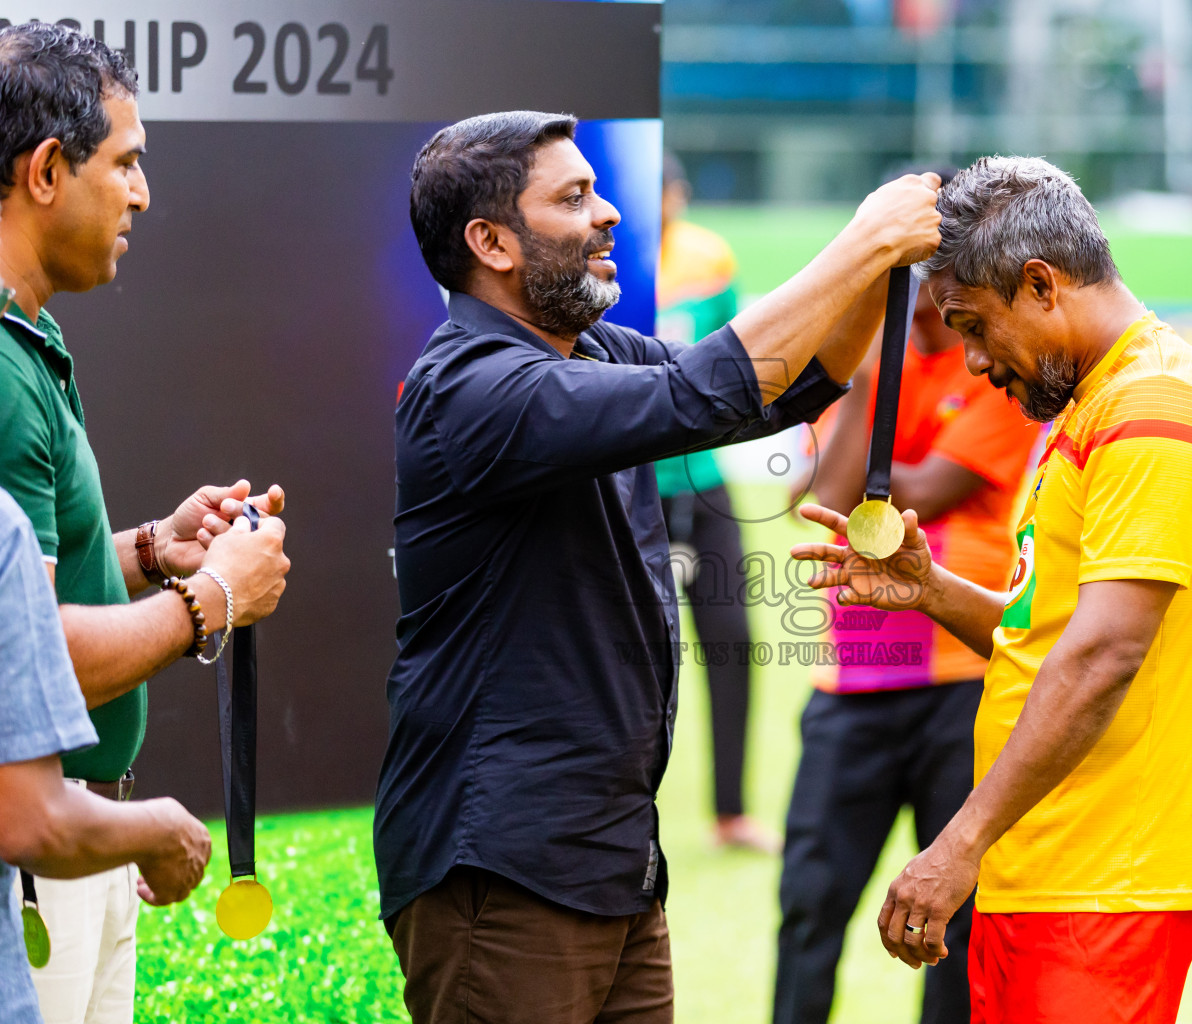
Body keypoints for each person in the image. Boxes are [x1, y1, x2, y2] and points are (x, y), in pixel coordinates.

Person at [374, 110, 940, 1024]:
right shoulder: (470, 386)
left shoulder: (592, 349)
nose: (610, 214)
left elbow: (775, 392)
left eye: (598, 191)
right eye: (572, 197)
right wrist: (863, 238)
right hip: (503, 872)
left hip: (614, 868)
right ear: (491, 243)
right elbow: (704, 389)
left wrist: (880, 271)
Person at [791, 155, 1192, 1024]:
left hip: (1102, 875)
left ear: (1040, 285)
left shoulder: (1155, 407)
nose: (968, 361)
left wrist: (958, 841)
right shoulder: (1095, 401)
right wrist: (929, 589)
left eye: (972, 326)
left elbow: (1106, 653)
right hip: (1051, 862)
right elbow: (1048, 635)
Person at [0, 24, 293, 1024]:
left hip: (67, 845)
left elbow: (26, 590)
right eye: (125, 163)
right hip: (31, 862)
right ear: (46, 171)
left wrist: (146, 551)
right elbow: (25, 665)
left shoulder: (27, 336)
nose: (143, 194)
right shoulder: (1, 372)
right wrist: (212, 599)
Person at [774, 165, 1040, 1024]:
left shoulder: (999, 377)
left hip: (956, 684)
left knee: (953, 924)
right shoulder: (864, 378)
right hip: (851, 683)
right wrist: (869, 360)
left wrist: (883, 372)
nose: (925, 303)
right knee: (810, 902)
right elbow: (818, 496)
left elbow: (904, 497)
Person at [0, 485, 212, 1024]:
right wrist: (208, 600)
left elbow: (48, 583)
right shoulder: (17, 400)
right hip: (46, 850)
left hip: (92, 832)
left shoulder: (50, 398)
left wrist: (157, 547)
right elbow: (38, 659)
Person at [652, 152, 776, 852]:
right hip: (630, 487)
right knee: (632, 652)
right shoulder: (603, 260)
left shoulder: (709, 258)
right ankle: (625, 811)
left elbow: (736, 359)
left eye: (672, 190)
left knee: (731, 640)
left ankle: (732, 811)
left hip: (704, 482)